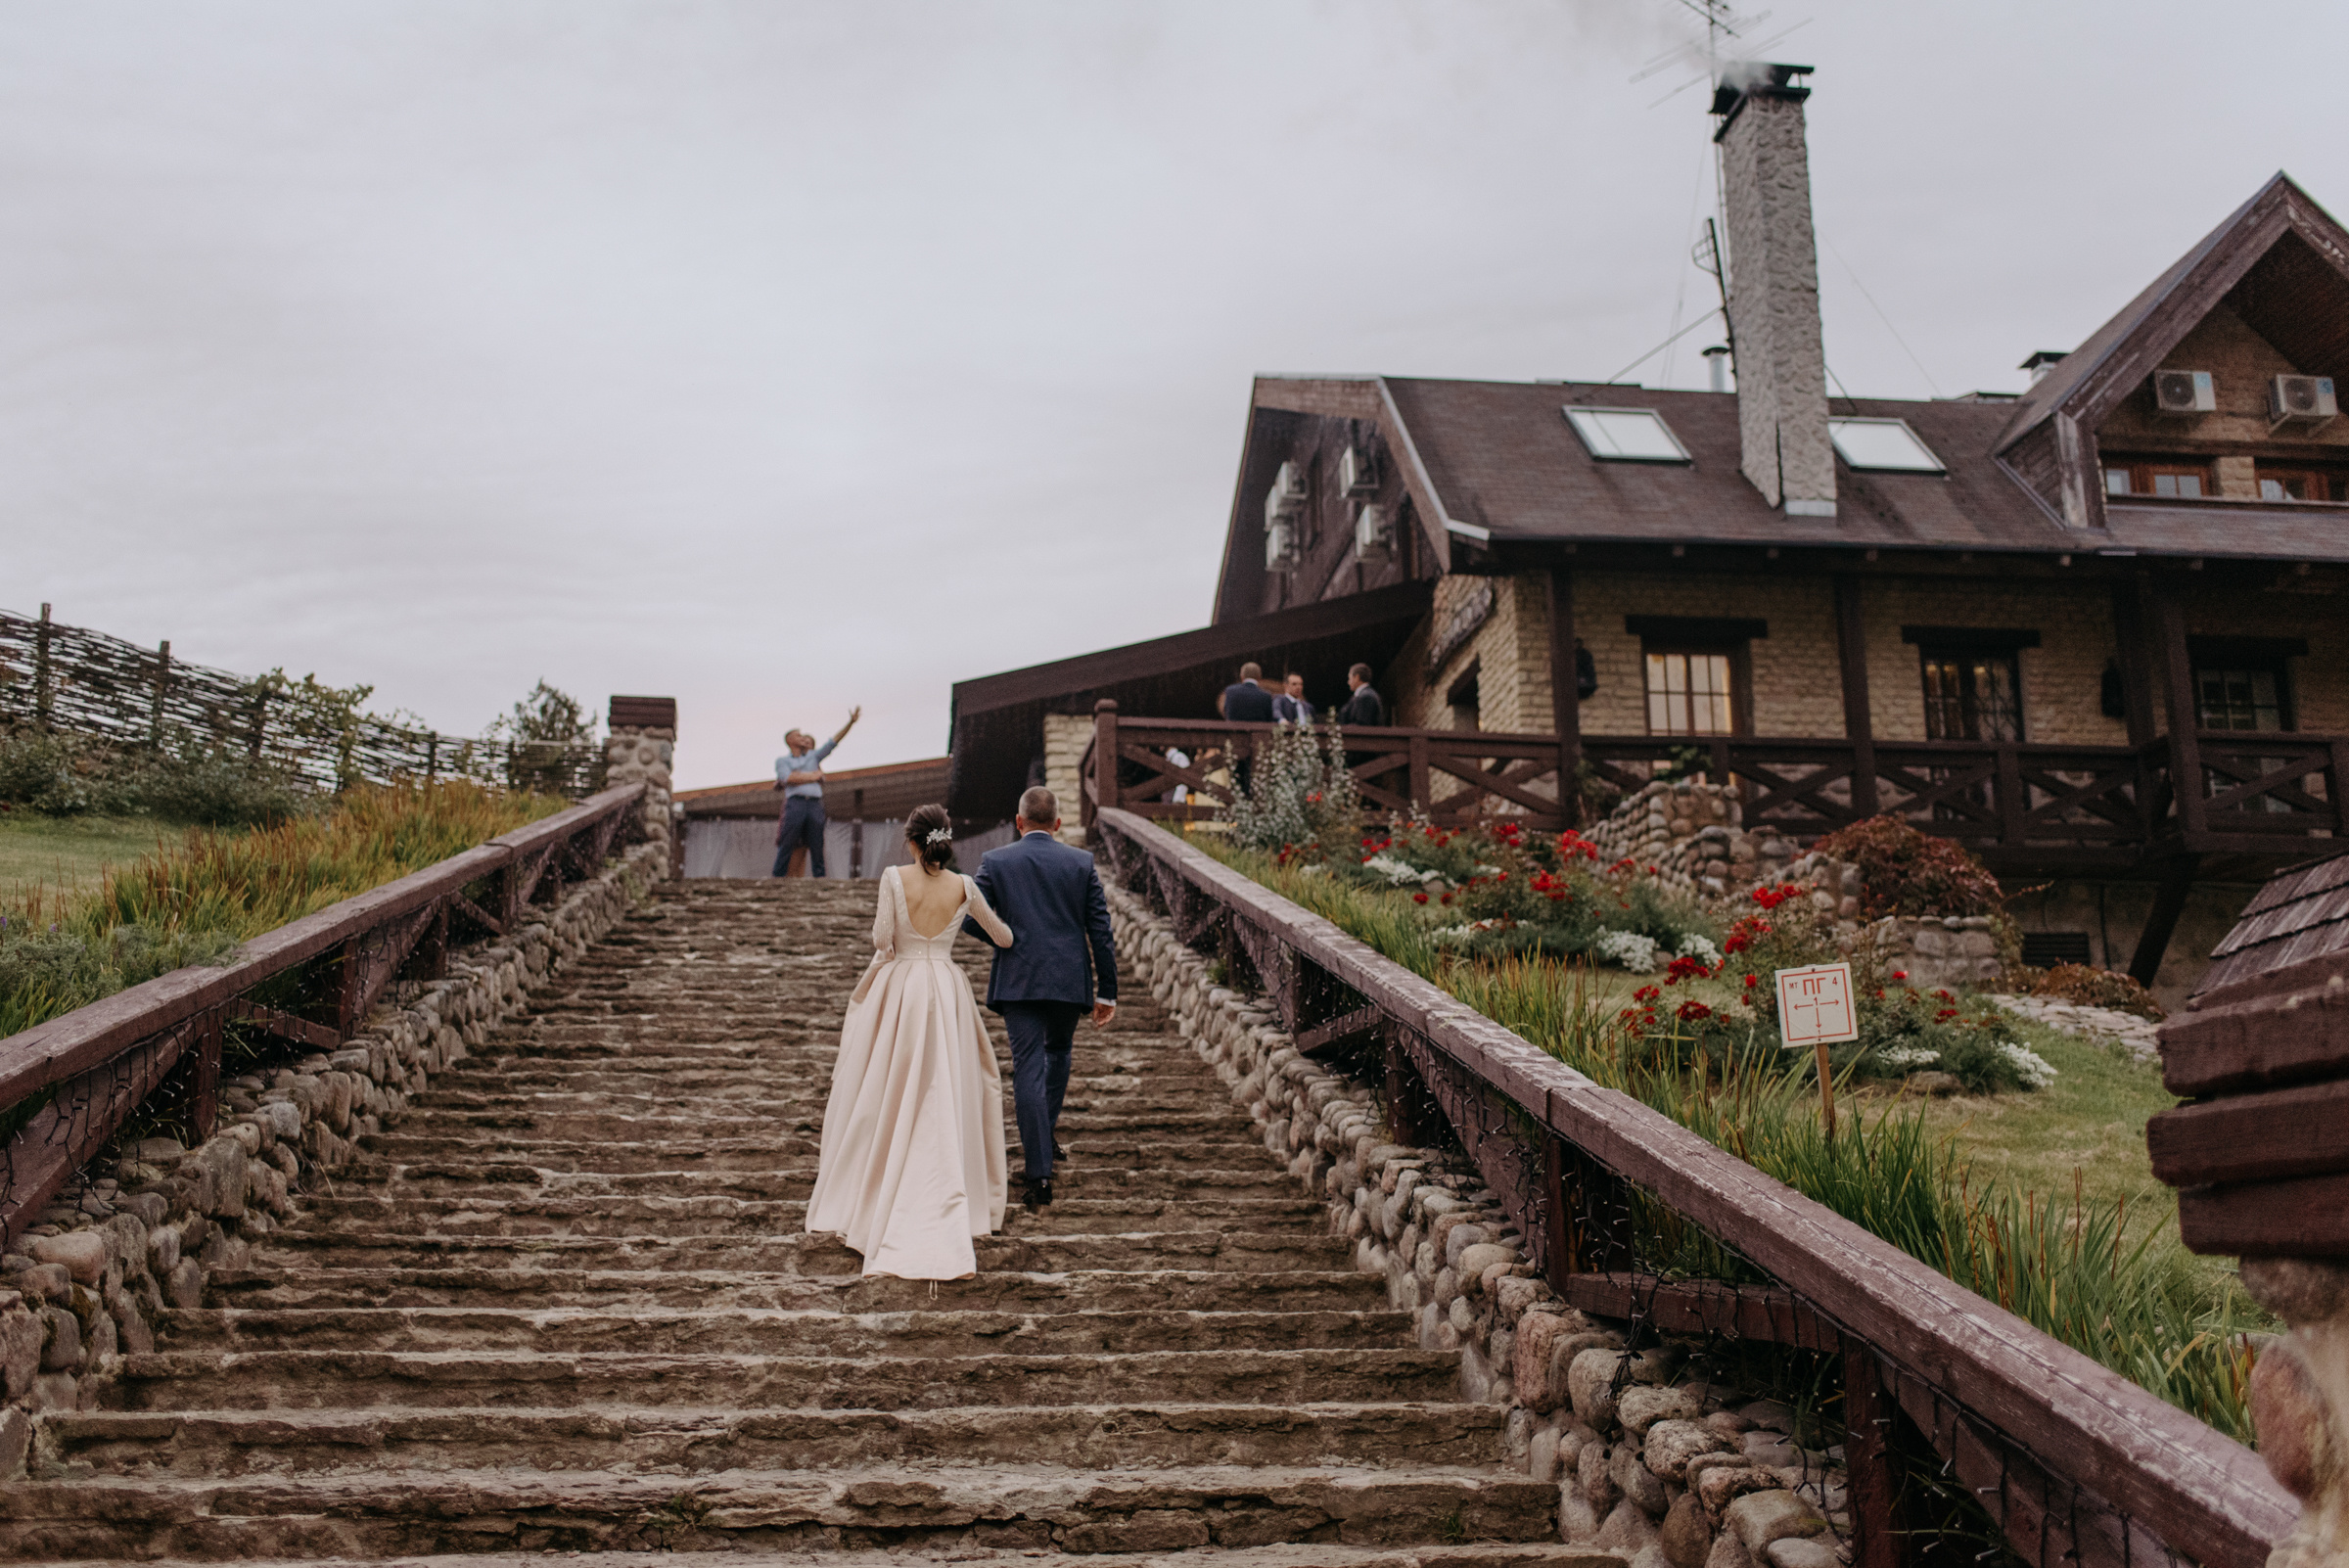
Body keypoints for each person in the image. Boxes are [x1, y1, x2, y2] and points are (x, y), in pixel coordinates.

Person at [805, 805, 1014, 1279]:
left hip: (901, 990)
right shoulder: (965, 885)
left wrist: (902, 939)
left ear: (911, 841)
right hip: (945, 988)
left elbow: (883, 939)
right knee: (945, 1085)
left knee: (887, 1084)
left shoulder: (894, 878)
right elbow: (1002, 937)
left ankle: (877, 1180)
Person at [963, 786, 1117, 1212]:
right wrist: (1108, 991)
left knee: (1027, 1068)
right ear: (1058, 824)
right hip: (1069, 981)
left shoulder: (996, 861)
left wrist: (1002, 938)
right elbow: (1100, 930)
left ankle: (1039, 1172)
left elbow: (970, 916)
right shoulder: (1081, 862)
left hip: (1019, 979)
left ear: (1018, 822)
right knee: (1060, 1051)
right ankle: (1044, 1139)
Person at [773, 708, 860, 878]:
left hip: (814, 804)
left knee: (816, 841)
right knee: (788, 840)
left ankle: (820, 878)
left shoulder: (813, 757)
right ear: (790, 740)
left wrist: (850, 723)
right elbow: (788, 778)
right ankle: (777, 876)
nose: (803, 738)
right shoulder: (782, 761)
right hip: (795, 803)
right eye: (799, 736)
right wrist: (813, 776)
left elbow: (833, 742)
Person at [1337, 664, 1386, 728]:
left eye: (1349, 678)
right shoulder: (1362, 695)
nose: (1348, 682)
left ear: (1357, 677)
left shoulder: (1367, 696)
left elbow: (1362, 725)